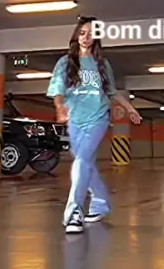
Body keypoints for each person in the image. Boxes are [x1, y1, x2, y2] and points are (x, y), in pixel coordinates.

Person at [47, 16, 141, 234]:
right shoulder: (65, 62)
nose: (86, 37)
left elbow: (112, 91)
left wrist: (130, 108)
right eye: (82, 33)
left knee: (81, 161)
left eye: (91, 34)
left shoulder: (102, 64)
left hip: (98, 117)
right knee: (85, 163)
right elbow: (57, 88)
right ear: (76, 35)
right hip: (75, 119)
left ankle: (74, 213)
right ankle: (101, 203)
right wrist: (59, 106)